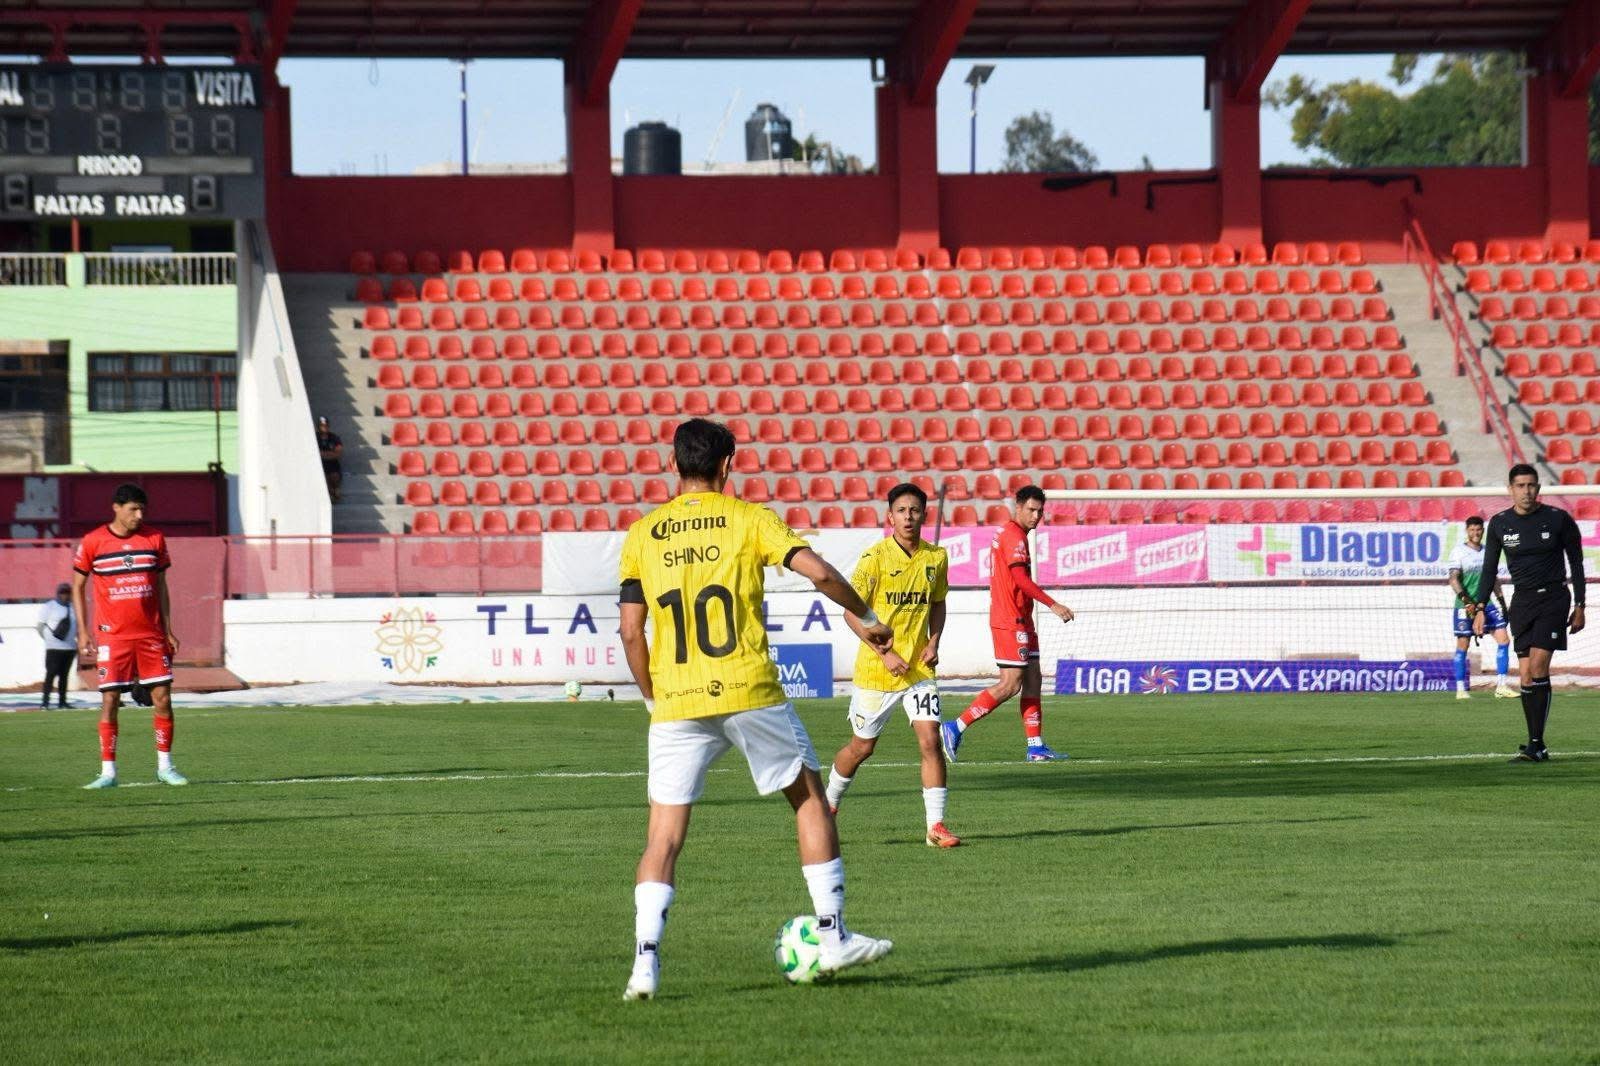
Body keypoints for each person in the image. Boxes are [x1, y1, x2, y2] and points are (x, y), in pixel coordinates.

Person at [618, 418, 896, 1001]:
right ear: (728, 465)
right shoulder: (750, 519)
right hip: (748, 689)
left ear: (673, 464)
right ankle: (832, 935)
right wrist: (868, 619)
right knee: (809, 799)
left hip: (676, 701)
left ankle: (644, 964)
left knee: (662, 836)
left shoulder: (642, 535)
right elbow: (819, 572)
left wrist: (651, 697)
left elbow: (629, 631)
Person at [825, 483, 959, 848]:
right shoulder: (875, 558)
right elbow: (851, 612)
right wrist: (884, 653)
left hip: (918, 671)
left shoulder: (936, 557)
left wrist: (933, 642)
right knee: (861, 748)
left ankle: (936, 826)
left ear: (924, 515)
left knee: (930, 740)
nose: (908, 516)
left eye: (914, 510)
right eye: (901, 510)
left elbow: (938, 603)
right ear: (890, 517)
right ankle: (828, 804)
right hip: (877, 671)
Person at [941, 485, 1075, 763]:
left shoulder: (1011, 533)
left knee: (1033, 680)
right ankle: (955, 727)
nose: (1036, 516)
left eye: (1040, 511)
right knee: (1010, 684)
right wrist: (1053, 604)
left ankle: (1035, 746)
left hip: (1022, 619)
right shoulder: (1014, 535)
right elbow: (1020, 580)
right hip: (1010, 620)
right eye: (1031, 510)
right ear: (1018, 507)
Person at [72, 483, 187, 789]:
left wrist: (168, 629)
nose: (139, 516)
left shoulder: (154, 538)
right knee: (110, 700)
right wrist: (83, 631)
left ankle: (166, 767)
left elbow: (161, 586)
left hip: (150, 635)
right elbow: (77, 586)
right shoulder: (93, 541)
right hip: (113, 638)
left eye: (142, 510)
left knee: (162, 698)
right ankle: (108, 772)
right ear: (116, 507)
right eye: (133, 509)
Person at [1472, 464, 1587, 762]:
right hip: (1522, 602)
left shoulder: (1558, 519)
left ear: (1538, 488)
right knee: (1524, 675)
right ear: (1510, 489)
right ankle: (1535, 744)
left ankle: (1537, 744)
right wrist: (1481, 607)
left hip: (1553, 599)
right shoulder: (1500, 524)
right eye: (1520, 486)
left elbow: (1576, 563)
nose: (1526, 491)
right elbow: (1489, 570)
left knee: (1537, 667)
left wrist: (1580, 604)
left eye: (1531, 485)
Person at [1448, 515, 1514, 701]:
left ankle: (1501, 686)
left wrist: (1502, 602)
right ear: (1467, 531)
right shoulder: (1458, 552)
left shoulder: (1488, 551)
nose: (1475, 533)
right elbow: (1453, 579)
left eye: (1478, 529)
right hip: (1465, 605)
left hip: (1486, 604)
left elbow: (1493, 578)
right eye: (1472, 530)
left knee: (1504, 639)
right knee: (1463, 644)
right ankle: (1460, 689)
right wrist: (1466, 600)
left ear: (1483, 531)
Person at [36, 581, 77, 708]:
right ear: (58, 594)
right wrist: (48, 640)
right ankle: (45, 702)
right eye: (62, 592)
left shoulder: (74, 608)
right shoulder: (49, 606)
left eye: (67, 592)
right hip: (53, 648)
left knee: (64, 676)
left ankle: (62, 702)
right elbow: (40, 626)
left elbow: (78, 626)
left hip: (69, 647)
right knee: (50, 675)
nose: (65, 595)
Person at [316, 415, 343, 502]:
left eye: (326, 425)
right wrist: (330, 454)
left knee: (334, 476)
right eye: (322, 426)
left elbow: (338, 453)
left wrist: (323, 454)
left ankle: (336, 491)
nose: (324, 427)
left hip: (333, 464)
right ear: (318, 426)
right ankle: (330, 494)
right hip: (320, 464)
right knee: (323, 477)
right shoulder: (315, 438)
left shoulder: (334, 437)